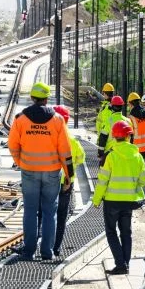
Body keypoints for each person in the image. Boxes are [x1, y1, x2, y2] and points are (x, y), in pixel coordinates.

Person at [8, 81, 74, 261]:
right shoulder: (58, 120)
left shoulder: (20, 119)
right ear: (46, 99)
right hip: (52, 172)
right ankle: (47, 252)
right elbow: (65, 150)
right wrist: (69, 176)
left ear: (32, 97)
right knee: (49, 212)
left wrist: (20, 162)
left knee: (29, 211)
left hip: (29, 170)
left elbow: (12, 145)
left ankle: (28, 251)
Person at [92, 120, 145, 276]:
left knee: (111, 232)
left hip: (111, 202)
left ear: (114, 137)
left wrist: (96, 200)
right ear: (128, 136)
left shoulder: (111, 156)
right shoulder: (137, 156)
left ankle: (120, 264)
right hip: (129, 201)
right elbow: (144, 180)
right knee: (126, 232)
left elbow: (102, 181)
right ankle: (126, 264)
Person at [51, 105, 84, 257]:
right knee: (62, 214)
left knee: (45, 213)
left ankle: (43, 244)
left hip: (48, 181)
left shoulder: (49, 137)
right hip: (66, 182)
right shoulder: (72, 141)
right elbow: (80, 158)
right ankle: (56, 247)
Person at [127, 93, 145, 202]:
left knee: (135, 172)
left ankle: (137, 196)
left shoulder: (131, 118)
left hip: (136, 150)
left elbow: (130, 136)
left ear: (130, 104)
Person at [97, 95, 127, 163]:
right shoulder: (127, 121)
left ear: (112, 107)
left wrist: (100, 152)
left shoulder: (109, 121)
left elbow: (103, 137)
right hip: (124, 151)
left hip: (110, 152)